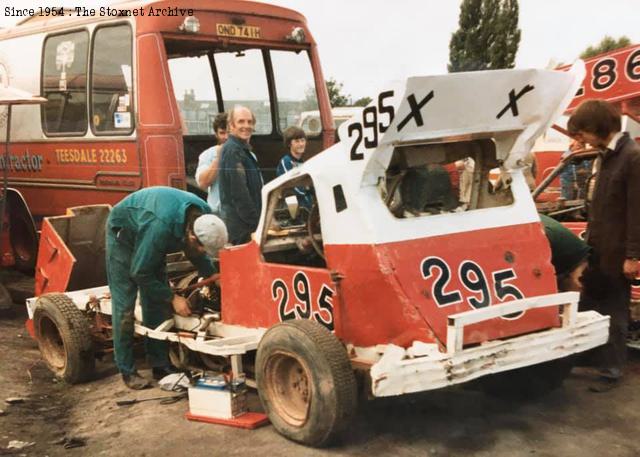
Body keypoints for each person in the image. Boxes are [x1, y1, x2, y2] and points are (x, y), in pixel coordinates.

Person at [106, 186, 228, 389]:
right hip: (123, 234)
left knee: (155, 300)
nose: (202, 252)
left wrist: (212, 276)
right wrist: (172, 298)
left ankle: (160, 365)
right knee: (124, 304)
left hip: (151, 228)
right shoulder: (160, 228)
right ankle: (127, 370)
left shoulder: (204, 216)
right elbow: (140, 272)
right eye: (201, 247)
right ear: (191, 236)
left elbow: (198, 254)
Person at [567, 99, 640, 392]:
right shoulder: (606, 156)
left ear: (598, 126)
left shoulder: (632, 158)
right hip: (600, 247)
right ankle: (589, 358)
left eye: (581, 131)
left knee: (615, 308)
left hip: (619, 251)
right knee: (592, 303)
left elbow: (637, 212)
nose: (578, 139)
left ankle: (612, 368)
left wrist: (633, 256)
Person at [218, 105, 263, 245]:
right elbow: (239, 193)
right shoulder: (233, 151)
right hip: (242, 229)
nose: (246, 126)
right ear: (231, 126)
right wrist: (257, 224)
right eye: (241, 121)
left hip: (245, 225)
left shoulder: (241, 149)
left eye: (250, 122)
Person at [195, 113, 229, 215]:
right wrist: (218, 158)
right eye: (222, 133)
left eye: (229, 133)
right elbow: (202, 183)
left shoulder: (249, 155)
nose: (226, 137)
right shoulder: (207, 155)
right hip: (217, 213)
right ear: (216, 134)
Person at [276, 126, 313, 210]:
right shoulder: (286, 161)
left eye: (302, 140)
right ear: (289, 144)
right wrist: (307, 188)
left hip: (306, 204)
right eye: (297, 141)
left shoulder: (303, 162)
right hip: (292, 206)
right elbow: (292, 184)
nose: (301, 144)